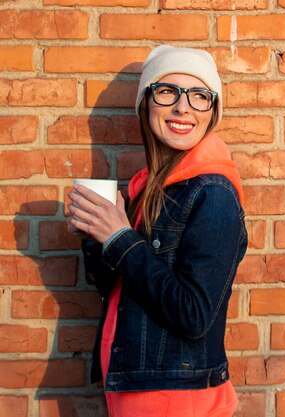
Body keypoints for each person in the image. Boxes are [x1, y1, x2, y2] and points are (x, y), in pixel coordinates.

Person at [67, 45, 247, 417]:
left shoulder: (212, 194)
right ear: (145, 103)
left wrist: (121, 240)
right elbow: (124, 293)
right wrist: (97, 237)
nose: (183, 107)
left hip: (178, 403)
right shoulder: (146, 189)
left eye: (200, 96)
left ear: (212, 113)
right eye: (168, 91)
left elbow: (194, 315)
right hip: (136, 396)